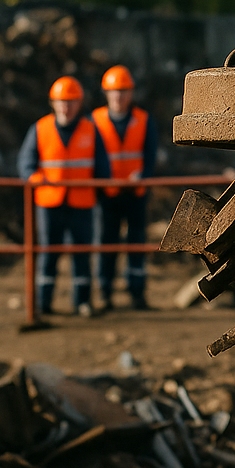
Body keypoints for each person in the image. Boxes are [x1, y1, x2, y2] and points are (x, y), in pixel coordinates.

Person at [18, 76, 110, 316]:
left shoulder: (91, 131)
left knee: (81, 254)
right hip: (49, 203)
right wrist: (36, 180)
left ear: (79, 103)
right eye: (61, 101)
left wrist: (102, 192)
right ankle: (43, 304)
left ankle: (82, 303)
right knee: (48, 253)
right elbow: (26, 165)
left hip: (82, 203)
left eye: (71, 101)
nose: (66, 106)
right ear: (53, 103)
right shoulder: (39, 129)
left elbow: (103, 168)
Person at [92, 65, 158, 310]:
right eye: (114, 91)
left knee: (136, 243)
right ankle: (105, 294)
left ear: (131, 93)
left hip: (135, 194)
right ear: (106, 93)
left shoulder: (144, 119)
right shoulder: (95, 120)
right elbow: (93, 158)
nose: (118, 96)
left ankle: (137, 293)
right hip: (106, 195)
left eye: (123, 91)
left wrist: (143, 177)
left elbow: (149, 156)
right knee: (106, 243)